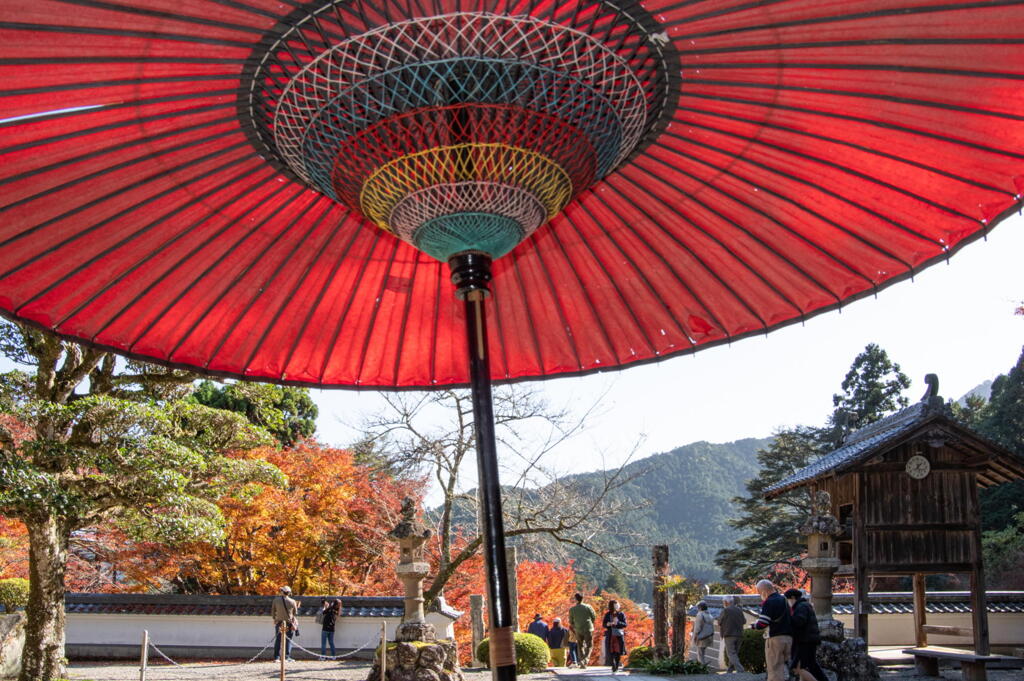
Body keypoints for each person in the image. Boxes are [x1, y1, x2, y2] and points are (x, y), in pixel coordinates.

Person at [751, 580, 793, 681]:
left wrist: (754, 626)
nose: (760, 595)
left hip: (775, 639)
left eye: (759, 592)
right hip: (789, 638)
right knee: (791, 668)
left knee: (775, 669)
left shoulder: (769, 602)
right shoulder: (784, 600)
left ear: (764, 591)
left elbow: (763, 623)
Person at [786, 589, 828, 681]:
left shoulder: (801, 607)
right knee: (809, 665)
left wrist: (788, 618)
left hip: (804, 641)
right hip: (809, 640)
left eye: (788, 599)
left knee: (798, 667)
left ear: (793, 598)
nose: (788, 602)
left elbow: (799, 622)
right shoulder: (805, 605)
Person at [716, 595, 746, 673]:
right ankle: (730, 670)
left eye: (723, 602)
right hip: (740, 634)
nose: (723, 603)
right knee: (734, 653)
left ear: (726, 602)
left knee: (731, 653)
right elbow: (744, 621)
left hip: (729, 634)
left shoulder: (726, 610)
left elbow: (719, 622)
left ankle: (740, 669)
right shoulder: (739, 610)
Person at [568, 592, 596, 669]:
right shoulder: (588, 607)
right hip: (588, 628)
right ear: (582, 598)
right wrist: (591, 623)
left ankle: (582, 661)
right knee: (589, 645)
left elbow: (570, 621)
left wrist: (575, 627)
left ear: (576, 599)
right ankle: (585, 660)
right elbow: (593, 616)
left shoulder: (572, 609)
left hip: (578, 629)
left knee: (580, 646)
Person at [271, 585, 298, 662]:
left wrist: (274, 618)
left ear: (282, 592)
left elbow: (273, 611)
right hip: (289, 622)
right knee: (288, 640)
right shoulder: (292, 601)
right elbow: (295, 613)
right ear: (289, 593)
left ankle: (276, 657)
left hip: (279, 622)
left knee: (278, 639)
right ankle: (287, 656)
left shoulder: (276, 600)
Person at [602, 599, 627, 672]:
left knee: (618, 650)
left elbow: (625, 624)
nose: (617, 606)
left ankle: (616, 664)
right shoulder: (608, 614)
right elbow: (604, 624)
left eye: (617, 605)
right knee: (611, 650)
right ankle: (613, 664)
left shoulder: (621, 614)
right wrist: (608, 624)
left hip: (618, 634)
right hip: (610, 634)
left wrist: (618, 622)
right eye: (616, 605)